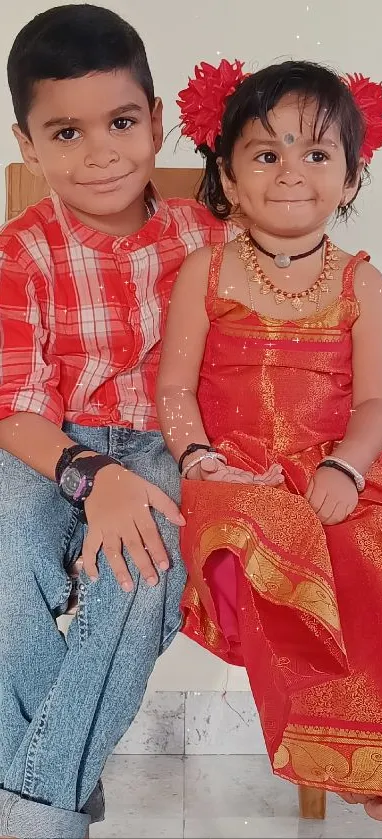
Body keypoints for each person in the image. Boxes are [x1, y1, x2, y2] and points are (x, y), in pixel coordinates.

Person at [0, 6, 239, 838]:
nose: (100, 152)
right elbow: (14, 404)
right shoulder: (19, 249)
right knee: (3, 556)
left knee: (142, 567)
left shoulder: (209, 238)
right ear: (28, 145)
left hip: (167, 443)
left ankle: (36, 810)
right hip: (50, 446)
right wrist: (90, 476)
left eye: (121, 122)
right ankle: (57, 784)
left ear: (158, 123)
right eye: (65, 132)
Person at [157, 58, 382, 824]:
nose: (291, 171)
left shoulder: (362, 282)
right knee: (275, 531)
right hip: (231, 476)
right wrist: (198, 456)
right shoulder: (204, 271)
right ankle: (337, 747)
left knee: (373, 548)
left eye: (317, 153)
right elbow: (172, 389)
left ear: (351, 179)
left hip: (331, 466)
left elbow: (374, 402)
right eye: (266, 153)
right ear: (228, 179)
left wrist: (347, 466)